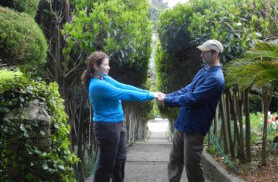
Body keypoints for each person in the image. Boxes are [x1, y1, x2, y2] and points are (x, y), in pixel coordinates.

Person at [81, 51, 159, 182]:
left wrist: (150, 92)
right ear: (95, 65)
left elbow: (124, 86)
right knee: (106, 164)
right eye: (106, 65)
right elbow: (124, 93)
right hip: (107, 127)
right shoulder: (97, 85)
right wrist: (152, 96)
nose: (109, 67)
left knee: (120, 160)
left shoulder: (104, 78)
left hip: (118, 125)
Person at [157, 39, 225, 182]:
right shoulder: (204, 70)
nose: (202, 56)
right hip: (182, 123)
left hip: (195, 127)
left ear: (216, 53)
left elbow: (192, 98)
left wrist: (167, 100)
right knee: (174, 161)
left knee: (192, 164)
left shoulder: (216, 79)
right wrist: (167, 96)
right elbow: (188, 89)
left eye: (205, 53)